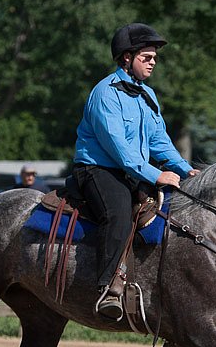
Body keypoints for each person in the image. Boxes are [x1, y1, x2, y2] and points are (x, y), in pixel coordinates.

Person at [72, 23, 200, 320]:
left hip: (132, 171)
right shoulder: (105, 94)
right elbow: (119, 149)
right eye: (147, 57)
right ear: (126, 58)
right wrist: (157, 176)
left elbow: (158, 141)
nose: (153, 62)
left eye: (154, 57)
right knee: (117, 215)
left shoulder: (148, 96)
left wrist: (185, 169)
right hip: (97, 169)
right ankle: (107, 289)